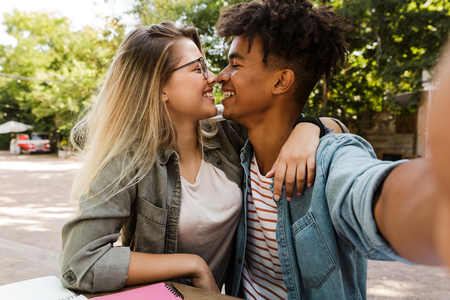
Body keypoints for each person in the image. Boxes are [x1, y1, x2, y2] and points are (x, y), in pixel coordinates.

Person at [59, 21, 345, 294]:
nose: (213, 78)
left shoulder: (230, 133)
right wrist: (193, 264)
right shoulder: (127, 161)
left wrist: (308, 127)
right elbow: (79, 263)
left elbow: (323, 127)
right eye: (198, 69)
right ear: (159, 88)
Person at [215, 0, 450, 299]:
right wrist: (314, 123)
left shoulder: (329, 161)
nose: (219, 76)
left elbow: (367, 191)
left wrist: (437, 205)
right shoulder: (230, 143)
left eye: (235, 65)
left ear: (281, 81)